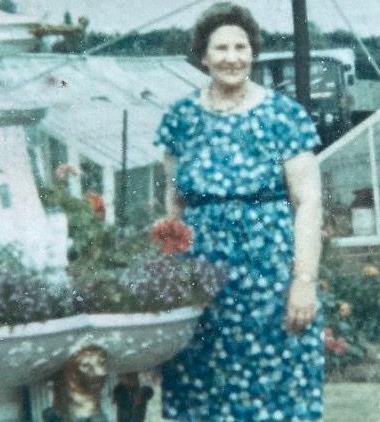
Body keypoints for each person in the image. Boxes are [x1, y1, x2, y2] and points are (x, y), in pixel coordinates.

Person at [155, 3, 324, 421]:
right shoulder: (181, 118)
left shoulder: (283, 116)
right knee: (201, 394)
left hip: (269, 279)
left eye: (241, 46)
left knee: (275, 396)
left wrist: (303, 281)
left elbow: (308, 203)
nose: (232, 57)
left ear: (253, 52)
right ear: (203, 56)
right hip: (202, 284)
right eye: (222, 48)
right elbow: (174, 204)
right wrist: (172, 277)